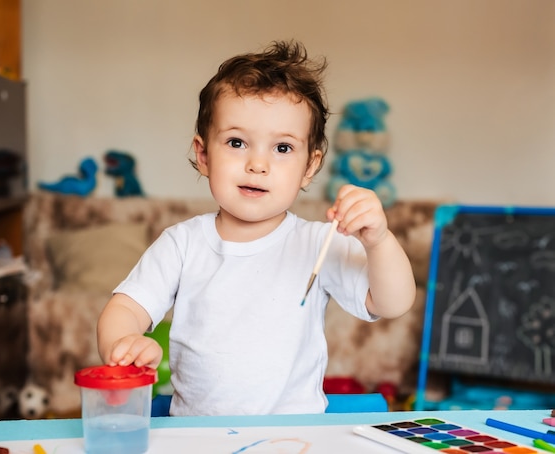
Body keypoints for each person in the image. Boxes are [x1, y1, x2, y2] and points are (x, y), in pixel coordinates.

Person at [97, 40, 416, 416]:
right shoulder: (182, 244)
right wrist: (125, 342)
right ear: (203, 155)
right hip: (199, 439)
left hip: (292, 438)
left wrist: (379, 240)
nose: (257, 164)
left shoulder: (318, 242)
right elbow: (124, 309)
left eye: (282, 148)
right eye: (237, 142)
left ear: (310, 167)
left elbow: (393, 302)